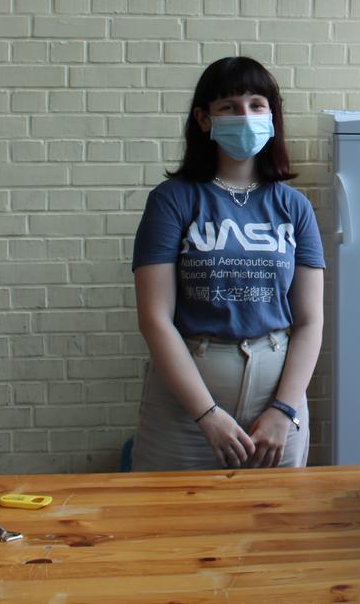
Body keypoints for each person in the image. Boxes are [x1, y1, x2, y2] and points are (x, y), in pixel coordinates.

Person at [130, 57, 325, 472]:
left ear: (272, 116)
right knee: (172, 511)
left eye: (257, 105)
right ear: (204, 119)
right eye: (229, 107)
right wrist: (207, 416)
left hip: (277, 410)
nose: (246, 116)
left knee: (276, 513)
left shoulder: (295, 207)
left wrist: (283, 411)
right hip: (186, 414)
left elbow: (310, 321)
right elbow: (154, 320)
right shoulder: (171, 201)